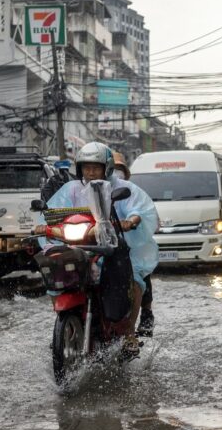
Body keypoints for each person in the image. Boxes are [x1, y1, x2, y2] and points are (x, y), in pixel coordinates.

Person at [36, 142, 159, 356]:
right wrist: (44, 225)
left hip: (115, 245)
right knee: (56, 270)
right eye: (86, 167)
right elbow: (55, 211)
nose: (90, 172)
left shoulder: (122, 188)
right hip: (81, 244)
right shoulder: (71, 189)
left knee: (136, 278)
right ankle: (66, 328)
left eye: (95, 167)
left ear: (107, 168)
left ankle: (129, 332)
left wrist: (132, 220)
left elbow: (139, 208)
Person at [112, 151, 156, 337]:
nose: (116, 173)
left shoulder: (130, 191)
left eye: (119, 170)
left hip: (129, 240)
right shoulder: (85, 190)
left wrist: (131, 221)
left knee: (139, 269)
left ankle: (144, 315)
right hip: (96, 239)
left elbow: (140, 211)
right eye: (113, 169)